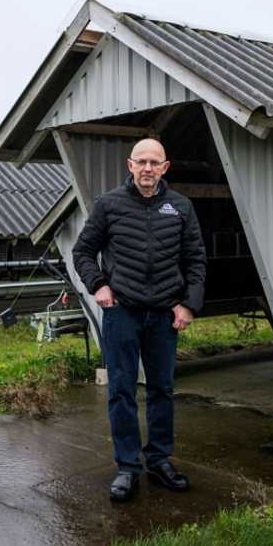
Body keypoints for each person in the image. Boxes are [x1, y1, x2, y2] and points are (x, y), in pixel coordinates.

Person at [72, 138, 207, 502]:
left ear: (165, 168)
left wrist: (188, 305)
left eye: (154, 162)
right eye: (141, 162)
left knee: (162, 389)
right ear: (129, 165)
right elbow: (83, 251)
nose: (147, 168)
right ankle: (127, 467)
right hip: (123, 313)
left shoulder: (180, 207)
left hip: (165, 314)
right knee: (122, 390)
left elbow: (195, 260)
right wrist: (98, 285)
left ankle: (160, 460)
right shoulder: (109, 205)